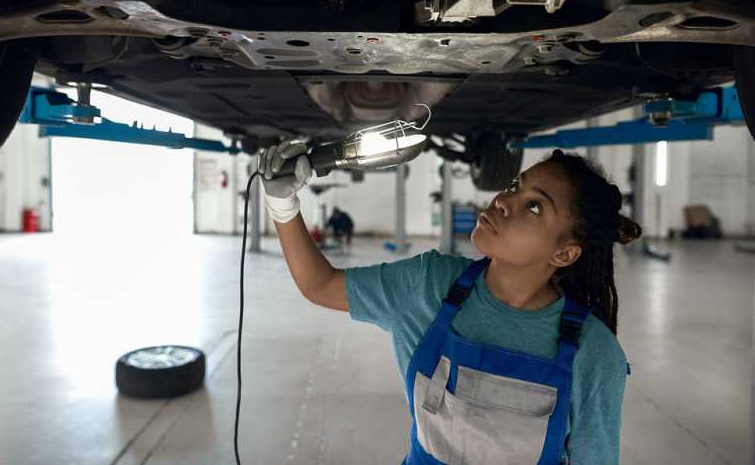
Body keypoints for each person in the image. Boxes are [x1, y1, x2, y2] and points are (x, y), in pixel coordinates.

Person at [257, 139, 641, 464]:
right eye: (513, 185)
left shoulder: (593, 354)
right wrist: (282, 203)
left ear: (564, 254)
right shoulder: (428, 285)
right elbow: (320, 284)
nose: (504, 201)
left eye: (534, 206)